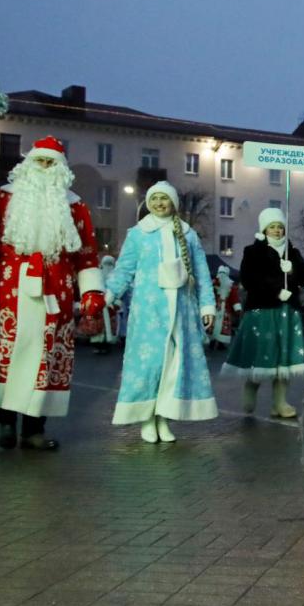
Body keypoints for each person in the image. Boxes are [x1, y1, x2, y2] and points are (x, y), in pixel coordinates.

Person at [0, 135, 103, 451]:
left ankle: (33, 430)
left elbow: (86, 254)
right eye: (39, 160)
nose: (44, 166)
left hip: (57, 293)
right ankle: (6, 422)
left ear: (60, 168)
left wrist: (91, 291)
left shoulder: (75, 205)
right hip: (13, 291)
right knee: (13, 354)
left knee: (48, 360)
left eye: (50, 162)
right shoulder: (2, 199)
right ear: (28, 164)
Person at [105, 182, 218, 443]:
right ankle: (147, 418)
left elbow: (201, 272)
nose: (159, 203)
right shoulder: (138, 233)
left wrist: (207, 305)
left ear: (173, 203)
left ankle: (164, 417)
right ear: (148, 203)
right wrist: (110, 293)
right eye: (154, 198)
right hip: (149, 312)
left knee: (174, 366)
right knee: (150, 365)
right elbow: (124, 268)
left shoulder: (188, 234)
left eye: (164, 198)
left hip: (181, 312)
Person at [223, 207, 304, 417]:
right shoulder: (253, 251)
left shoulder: (292, 252)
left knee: (284, 358)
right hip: (263, 310)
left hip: (287, 312)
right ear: (264, 229)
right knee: (262, 353)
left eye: (280, 226)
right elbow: (249, 279)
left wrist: (293, 269)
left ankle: (279, 402)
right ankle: (251, 385)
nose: (276, 230)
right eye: (272, 226)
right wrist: (276, 290)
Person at [89, 255, 120, 353]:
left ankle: (107, 346)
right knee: (98, 326)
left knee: (109, 326)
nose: (108, 266)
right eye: (106, 264)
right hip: (99, 304)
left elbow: (118, 291)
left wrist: (116, 303)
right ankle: (98, 345)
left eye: (110, 264)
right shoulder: (98, 275)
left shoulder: (116, 276)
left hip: (111, 305)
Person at [210, 264, 241, 349]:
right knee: (223, 326)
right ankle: (220, 343)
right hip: (225, 309)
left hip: (215, 307)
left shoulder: (213, 282)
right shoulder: (230, 284)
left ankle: (212, 341)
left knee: (213, 324)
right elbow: (234, 298)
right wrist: (237, 309)